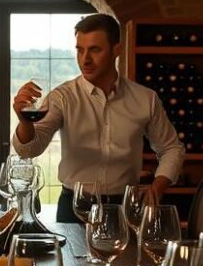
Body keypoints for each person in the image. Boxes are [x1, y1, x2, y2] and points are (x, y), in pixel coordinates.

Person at [11, 13, 184, 223]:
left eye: (95, 49)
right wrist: (25, 121)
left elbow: (171, 148)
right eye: (80, 50)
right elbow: (29, 149)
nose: (85, 59)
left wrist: (158, 187)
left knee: (123, 258)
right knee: (71, 258)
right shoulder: (62, 97)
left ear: (116, 50)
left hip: (124, 208)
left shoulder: (145, 99)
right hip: (73, 208)